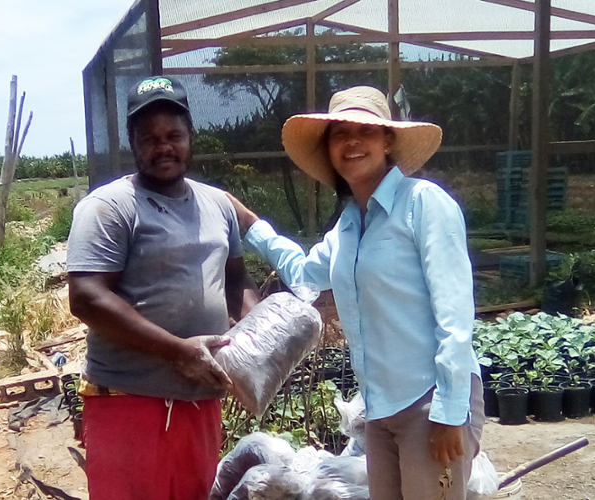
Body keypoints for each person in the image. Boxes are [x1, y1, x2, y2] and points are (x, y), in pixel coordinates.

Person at [227, 86, 484, 500]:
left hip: (429, 401)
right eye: (339, 133)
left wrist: (451, 412)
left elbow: (454, 313)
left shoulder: (423, 204)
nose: (352, 141)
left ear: (387, 141)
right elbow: (305, 273)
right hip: (380, 410)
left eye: (365, 129)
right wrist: (253, 225)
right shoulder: (348, 227)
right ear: (329, 149)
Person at [66, 75, 259, 500]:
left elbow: (236, 280)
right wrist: (176, 350)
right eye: (149, 137)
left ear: (191, 136)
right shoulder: (108, 207)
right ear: (132, 142)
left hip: (199, 401)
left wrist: (261, 335)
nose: (163, 146)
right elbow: (87, 297)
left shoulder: (218, 204)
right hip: (128, 399)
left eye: (173, 134)